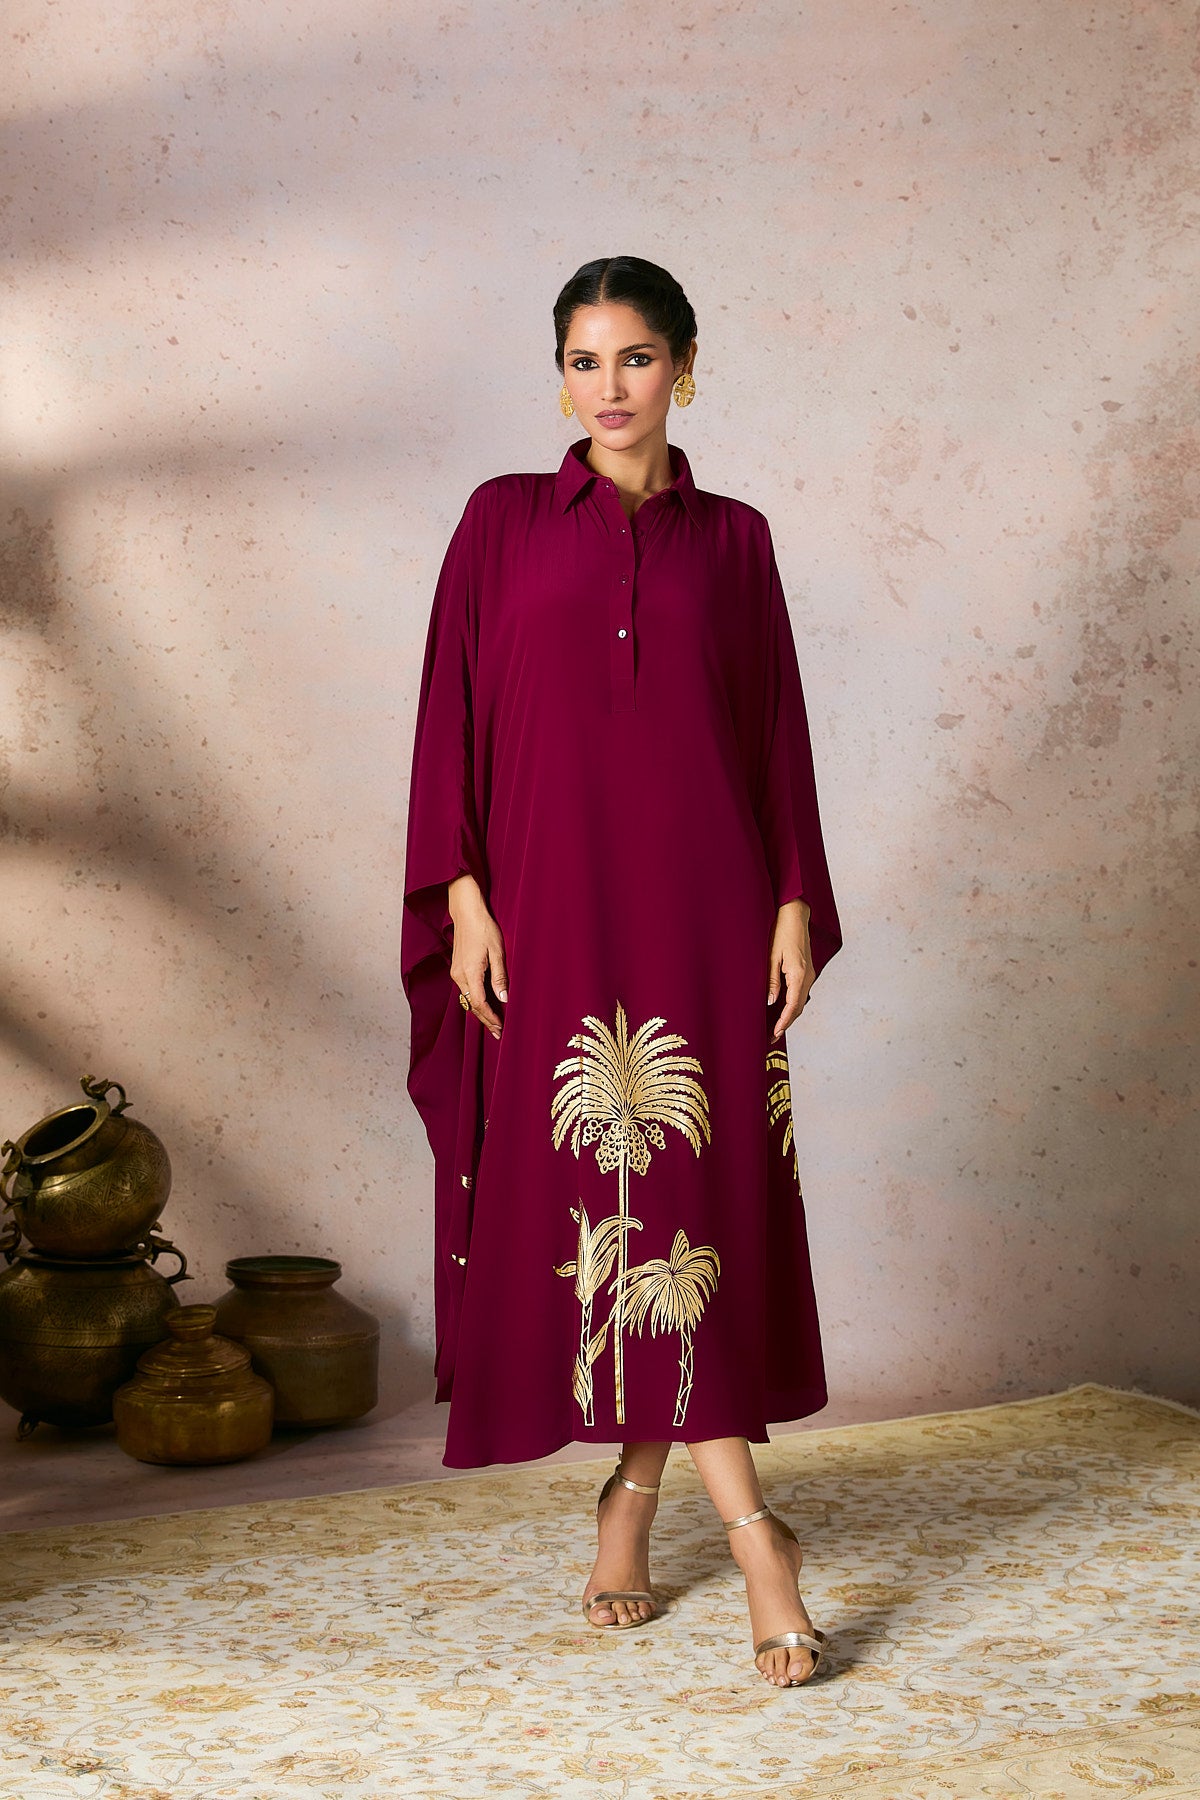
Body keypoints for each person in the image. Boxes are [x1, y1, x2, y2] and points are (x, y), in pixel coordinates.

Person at [401, 255, 842, 1688]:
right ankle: (750, 1534)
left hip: (708, 909)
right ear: (560, 380)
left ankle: (648, 1506)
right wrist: (464, 897)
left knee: (695, 1209)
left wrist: (792, 899)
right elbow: (449, 714)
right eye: (585, 361)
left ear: (685, 369)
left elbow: (775, 732)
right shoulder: (501, 522)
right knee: (608, 1201)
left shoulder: (737, 541)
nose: (610, 386)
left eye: (637, 358)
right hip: (550, 907)